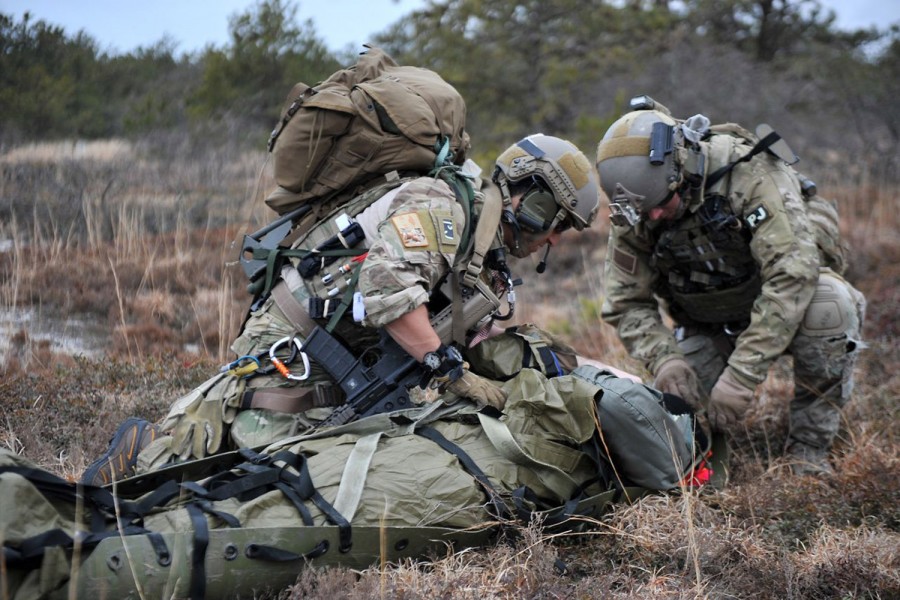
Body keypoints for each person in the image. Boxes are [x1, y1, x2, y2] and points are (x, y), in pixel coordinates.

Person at [82, 132, 607, 486]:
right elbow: (387, 289)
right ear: (529, 201)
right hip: (294, 342)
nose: (553, 240)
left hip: (349, 359)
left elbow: (452, 329)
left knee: (288, 468)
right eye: (554, 222)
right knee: (228, 456)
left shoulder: (485, 260)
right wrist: (449, 373)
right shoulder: (443, 205)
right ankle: (145, 448)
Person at [594, 96, 866, 476]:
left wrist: (742, 375)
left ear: (681, 166)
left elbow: (792, 276)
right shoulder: (638, 206)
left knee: (830, 305)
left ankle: (809, 447)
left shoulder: (751, 174)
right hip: (708, 323)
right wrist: (665, 359)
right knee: (679, 402)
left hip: (785, 309)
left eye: (661, 202)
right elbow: (625, 302)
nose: (653, 215)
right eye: (644, 210)